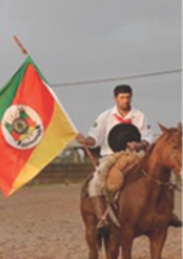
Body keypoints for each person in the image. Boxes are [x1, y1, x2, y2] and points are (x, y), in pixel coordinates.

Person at [76, 83, 180, 228]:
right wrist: (86, 140)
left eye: (128, 97)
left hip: (136, 156)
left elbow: (148, 138)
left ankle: (169, 213)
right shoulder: (104, 117)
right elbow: (95, 138)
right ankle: (102, 219)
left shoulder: (140, 116)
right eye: (122, 98)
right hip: (110, 157)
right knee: (95, 182)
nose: (126, 101)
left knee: (168, 176)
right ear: (115, 99)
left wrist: (139, 144)